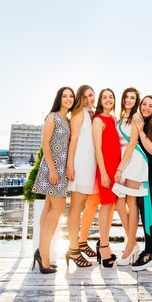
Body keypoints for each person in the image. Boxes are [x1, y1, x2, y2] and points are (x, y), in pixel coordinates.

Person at [32, 86, 75, 274]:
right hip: (53, 168)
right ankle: (44, 256)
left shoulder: (67, 120)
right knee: (57, 209)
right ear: (59, 98)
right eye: (64, 96)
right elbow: (45, 144)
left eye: (71, 96)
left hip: (59, 168)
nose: (68, 99)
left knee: (49, 210)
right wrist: (52, 169)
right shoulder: (53, 117)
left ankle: (42, 252)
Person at [112, 87, 148, 265]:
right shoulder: (121, 118)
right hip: (123, 158)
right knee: (120, 204)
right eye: (126, 97)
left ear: (136, 100)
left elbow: (133, 143)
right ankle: (132, 242)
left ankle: (130, 246)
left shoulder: (136, 116)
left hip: (134, 160)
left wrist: (119, 168)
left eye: (132, 98)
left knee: (131, 202)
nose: (128, 100)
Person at [131, 95, 152, 271]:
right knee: (151, 210)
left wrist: (142, 131)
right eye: (143, 104)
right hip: (143, 174)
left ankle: (150, 250)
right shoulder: (138, 122)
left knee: (149, 211)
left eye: (150, 105)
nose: (146, 107)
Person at [65, 85, 98, 268]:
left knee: (88, 205)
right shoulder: (78, 114)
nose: (89, 100)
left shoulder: (92, 114)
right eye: (85, 97)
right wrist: (70, 164)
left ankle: (81, 242)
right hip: (80, 165)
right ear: (79, 99)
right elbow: (74, 139)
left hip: (90, 165)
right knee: (76, 208)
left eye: (91, 95)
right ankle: (73, 249)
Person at [92, 88, 121, 268]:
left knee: (111, 207)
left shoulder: (114, 119)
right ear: (100, 101)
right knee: (106, 205)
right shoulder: (98, 120)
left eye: (111, 97)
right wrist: (103, 172)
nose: (108, 100)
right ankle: (103, 246)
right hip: (105, 168)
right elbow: (98, 148)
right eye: (105, 97)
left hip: (116, 168)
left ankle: (105, 244)